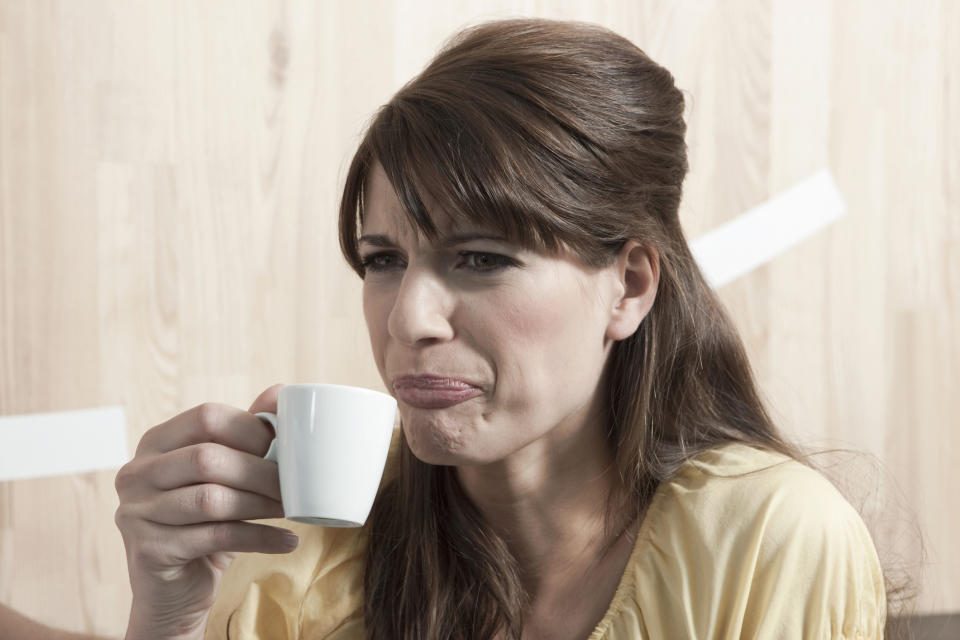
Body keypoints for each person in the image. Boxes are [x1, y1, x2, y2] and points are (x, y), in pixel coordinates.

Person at [114, 17, 889, 640]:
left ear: (630, 285)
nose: (409, 321)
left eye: (480, 258)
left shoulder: (770, 545)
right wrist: (167, 620)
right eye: (383, 260)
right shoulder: (296, 554)